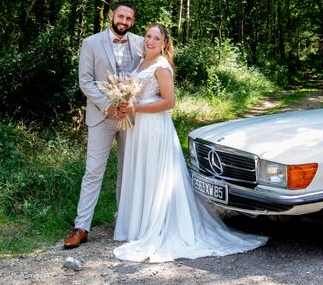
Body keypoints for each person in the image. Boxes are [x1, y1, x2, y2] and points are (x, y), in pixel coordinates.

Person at [113, 23, 267, 262]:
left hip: (155, 128)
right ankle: (140, 226)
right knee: (141, 172)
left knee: (155, 175)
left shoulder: (162, 66)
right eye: (148, 37)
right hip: (138, 128)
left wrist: (137, 107)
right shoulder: (142, 62)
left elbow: (169, 102)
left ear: (164, 43)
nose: (150, 41)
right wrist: (126, 104)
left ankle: (160, 223)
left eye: (156, 38)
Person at [64, 2, 144, 249]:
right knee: (93, 171)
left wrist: (131, 103)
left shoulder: (141, 42)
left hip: (131, 117)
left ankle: (125, 222)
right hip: (101, 116)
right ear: (112, 16)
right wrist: (109, 106)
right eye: (120, 16)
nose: (124, 21)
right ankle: (82, 227)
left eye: (129, 18)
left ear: (132, 21)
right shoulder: (91, 43)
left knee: (127, 171)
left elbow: (146, 76)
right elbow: (85, 82)